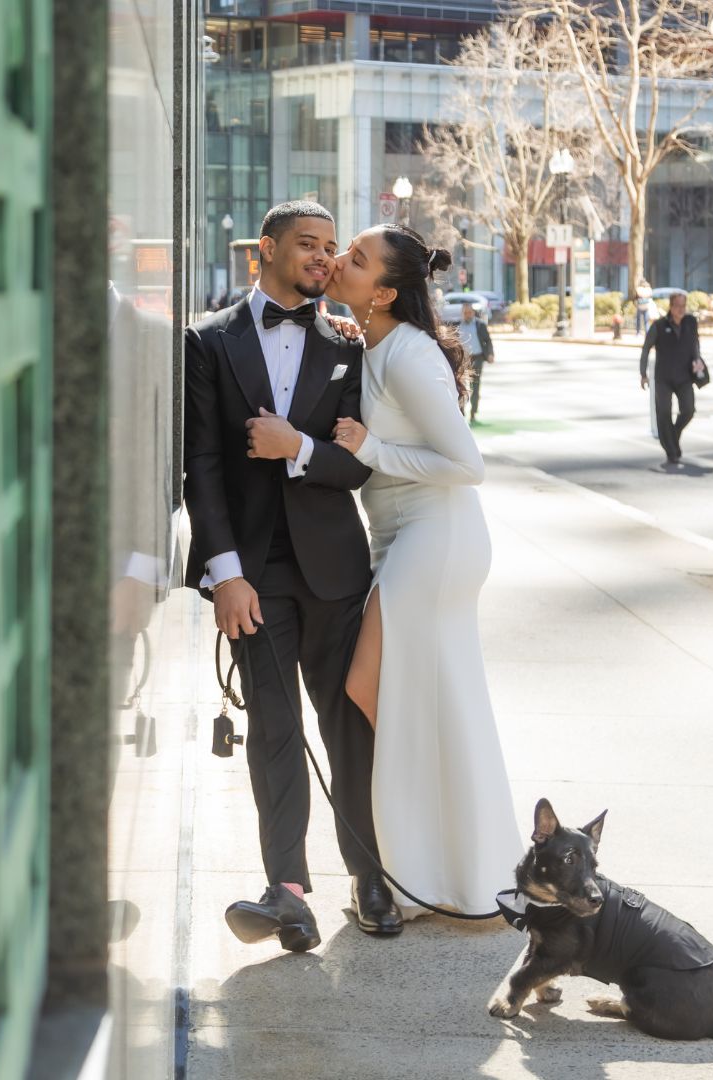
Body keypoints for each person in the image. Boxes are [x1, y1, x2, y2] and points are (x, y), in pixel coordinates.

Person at [183, 200, 399, 952]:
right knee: (274, 727)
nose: (323, 258)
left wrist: (296, 448)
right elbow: (201, 467)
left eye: (332, 247)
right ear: (264, 252)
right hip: (252, 573)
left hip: (335, 569)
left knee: (346, 722)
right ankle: (289, 891)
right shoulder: (207, 343)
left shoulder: (347, 346)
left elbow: (353, 464)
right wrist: (224, 575)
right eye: (308, 245)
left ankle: (369, 875)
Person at [323, 223, 522, 921]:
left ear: (382, 291)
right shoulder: (371, 343)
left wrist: (376, 450)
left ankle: (426, 866)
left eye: (355, 259)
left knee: (370, 686)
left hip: (435, 539)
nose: (338, 261)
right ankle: (438, 864)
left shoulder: (407, 355)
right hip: (403, 538)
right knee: (419, 702)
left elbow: (469, 465)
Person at [640, 290, 704, 469]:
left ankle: (673, 437)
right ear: (671, 306)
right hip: (663, 378)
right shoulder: (660, 326)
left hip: (684, 376)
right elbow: (646, 349)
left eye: (684, 306)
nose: (681, 309)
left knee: (689, 409)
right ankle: (671, 451)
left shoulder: (691, 322)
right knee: (664, 413)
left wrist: (697, 360)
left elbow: (695, 343)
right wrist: (643, 374)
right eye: (677, 306)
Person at [457, 301, 494, 424]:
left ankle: (473, 414)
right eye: (465, 312)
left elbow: (487, 340)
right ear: (462, 313)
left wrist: (490, 354)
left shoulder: (480, 325)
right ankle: (461, 414)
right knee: (460, 388)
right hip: (462, 360)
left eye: (470, 312)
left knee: (475, 386)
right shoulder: (456, 325)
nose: (468, 315)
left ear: (473, 313)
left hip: (477, 358)